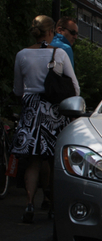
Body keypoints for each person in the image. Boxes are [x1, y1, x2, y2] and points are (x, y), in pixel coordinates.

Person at [13, 15, 80, 223]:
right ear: (51, 32)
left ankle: (29, 204)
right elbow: (75, 87)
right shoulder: (59, 53)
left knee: (33, 160)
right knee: (52, 159)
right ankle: (51, 204)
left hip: (31, 109)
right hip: (53, 110)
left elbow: (17, 89)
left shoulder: (21, 55)